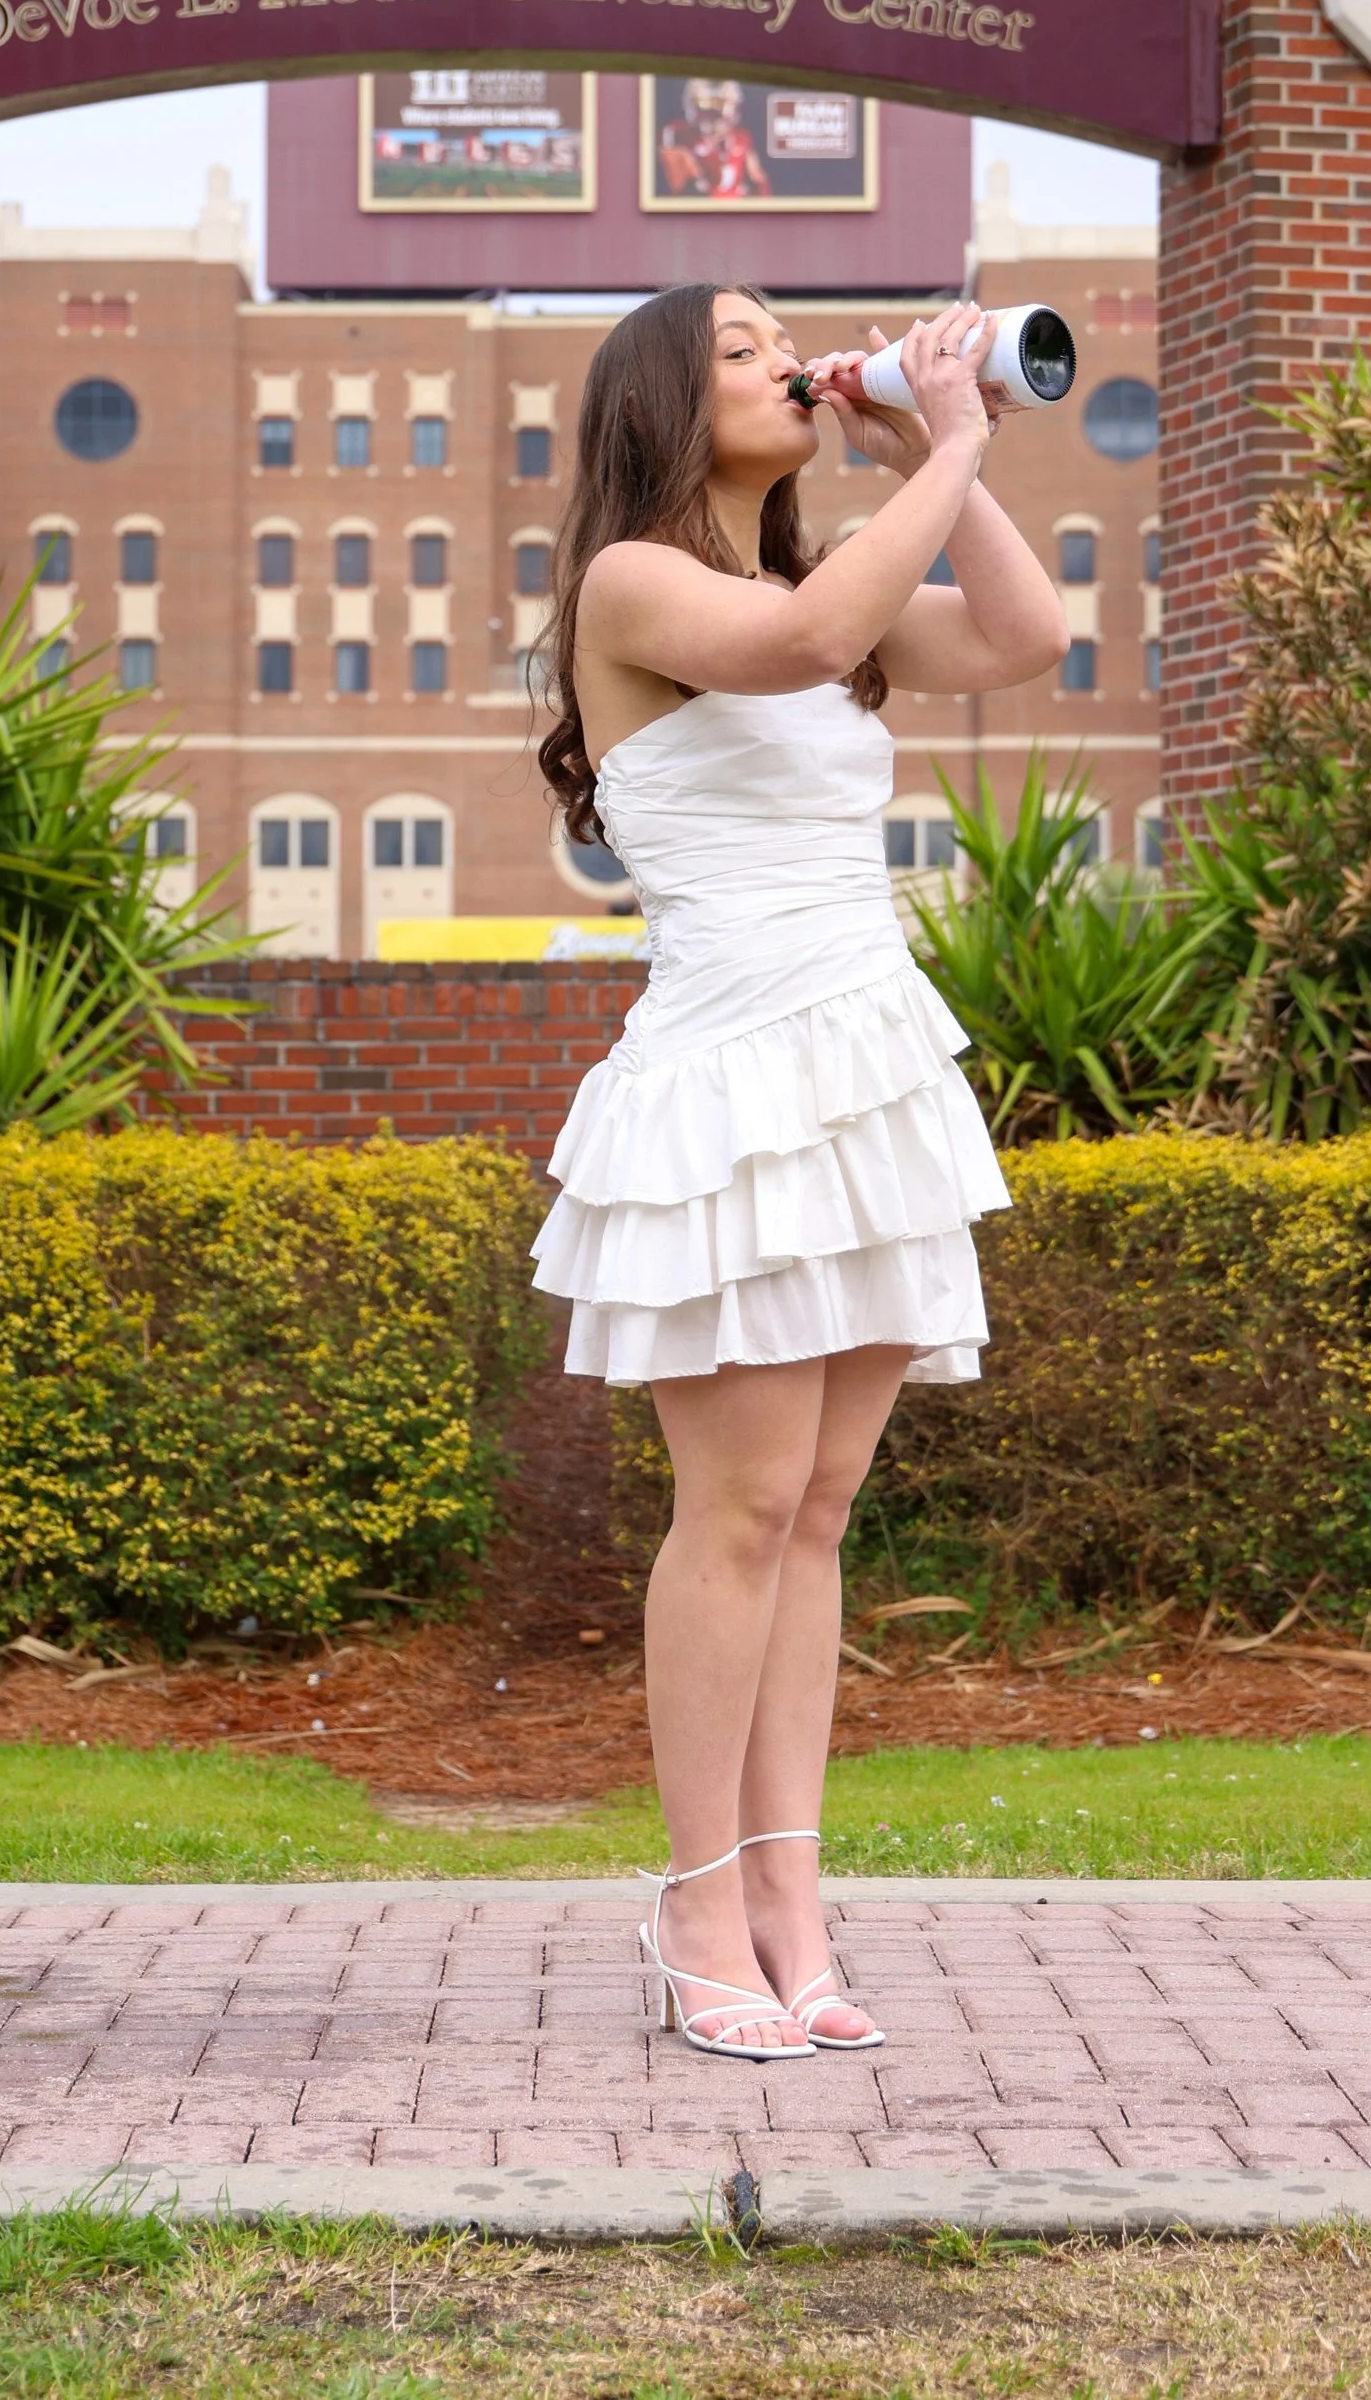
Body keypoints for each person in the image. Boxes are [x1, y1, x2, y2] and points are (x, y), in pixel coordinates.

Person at [530, 284, 1066, 2058]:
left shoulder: (830, 609)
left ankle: (788, 1897)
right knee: (742, 1509)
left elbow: (1024, 630)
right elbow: (805, 629)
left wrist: (936, 447)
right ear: (668, 402)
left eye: (785, 343)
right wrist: (962, 438)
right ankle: (694, 1905)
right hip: (731, 1086)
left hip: (866, 1070)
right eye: (747, 347)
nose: (787, 363)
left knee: (820, 1513)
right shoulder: (634, 586)